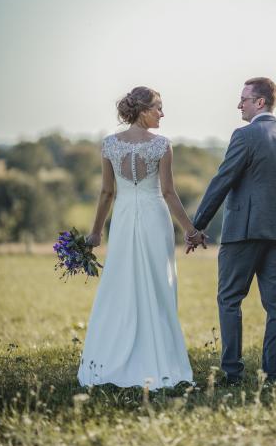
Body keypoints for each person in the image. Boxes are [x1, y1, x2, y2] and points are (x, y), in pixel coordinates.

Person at [77, 86, 205, 391]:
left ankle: (115, 357)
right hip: (154, 219)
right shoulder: (162, 145)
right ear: (142, 110)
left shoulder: (109, 145)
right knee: (158, 285)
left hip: (122, 219)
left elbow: (107, 193)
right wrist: (190, 230)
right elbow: (169, 193)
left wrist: (95, 232)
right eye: (158, 107)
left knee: (123, 282)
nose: (162, 113)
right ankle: (158, 358)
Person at [185, 77, 276, 386]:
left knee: (229, 299)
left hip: (244, 232)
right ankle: (272, 376)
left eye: (244, 99)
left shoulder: (244, 135)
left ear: (260, 102)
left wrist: (197, 225)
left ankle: (233, 373)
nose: (239, 104)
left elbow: (222, 181)